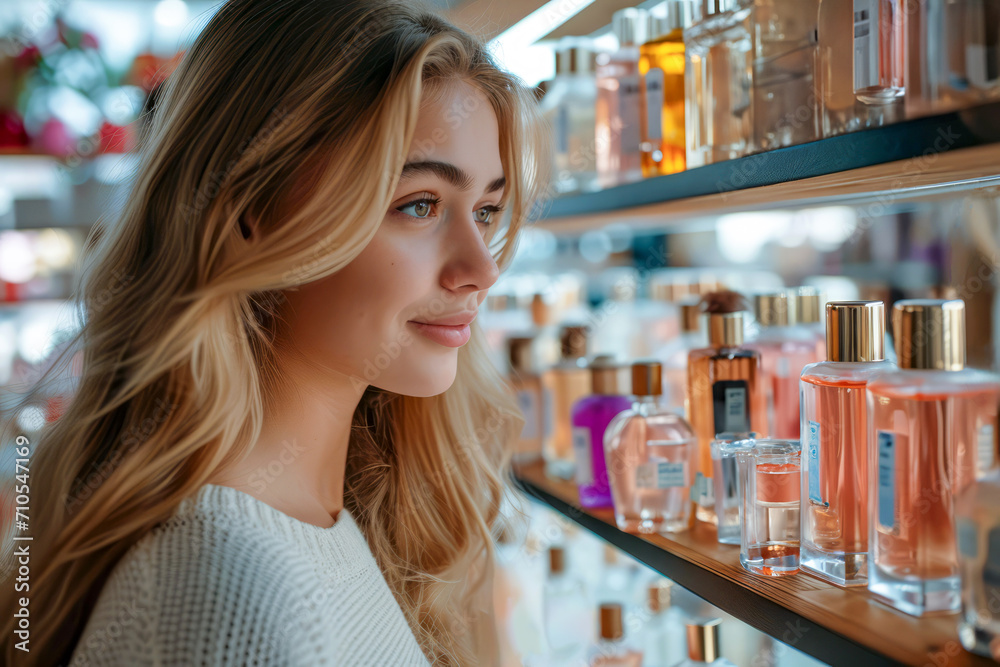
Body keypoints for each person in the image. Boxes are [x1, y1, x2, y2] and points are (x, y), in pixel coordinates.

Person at [0, 0, 551, 664]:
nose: (481, 268)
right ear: (251, 208)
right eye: (420, 204)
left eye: (488, 210)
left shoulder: (321, 523)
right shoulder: (224, 590)